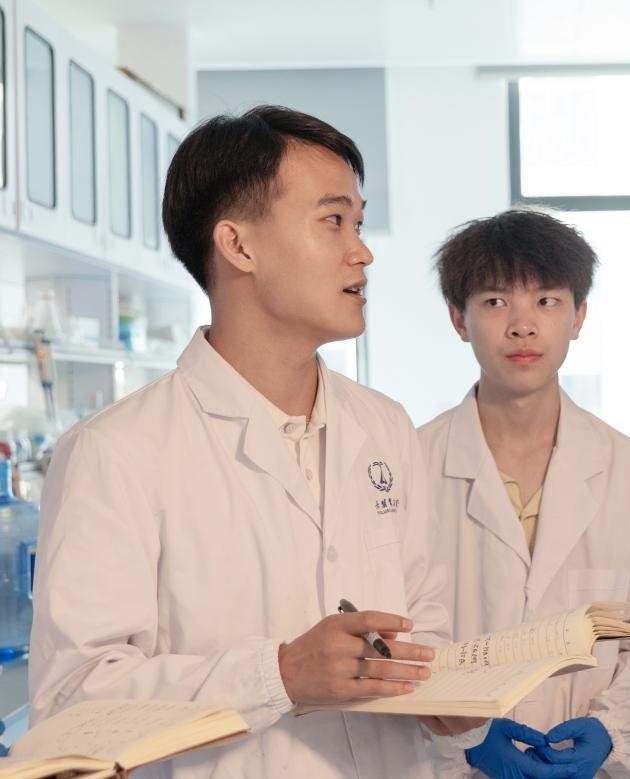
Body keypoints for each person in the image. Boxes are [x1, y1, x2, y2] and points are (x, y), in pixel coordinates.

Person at [29, 106, 458, 777]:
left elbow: (423, 614)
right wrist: (277, 675)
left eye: (359, 223)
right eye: (333, 220)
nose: (362, 251)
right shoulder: (116, 451)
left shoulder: (384, 426)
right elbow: (71, 704)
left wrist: (448, 698)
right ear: (238, 245)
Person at [419, 209, 630, 777]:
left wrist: (613, 732)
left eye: (547, 301)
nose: (522, 326)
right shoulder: (412, 465)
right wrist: (461, 737)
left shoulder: (628, 469)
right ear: (458, 318)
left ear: (578, 316)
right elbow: (389, 648)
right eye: (495, 301)